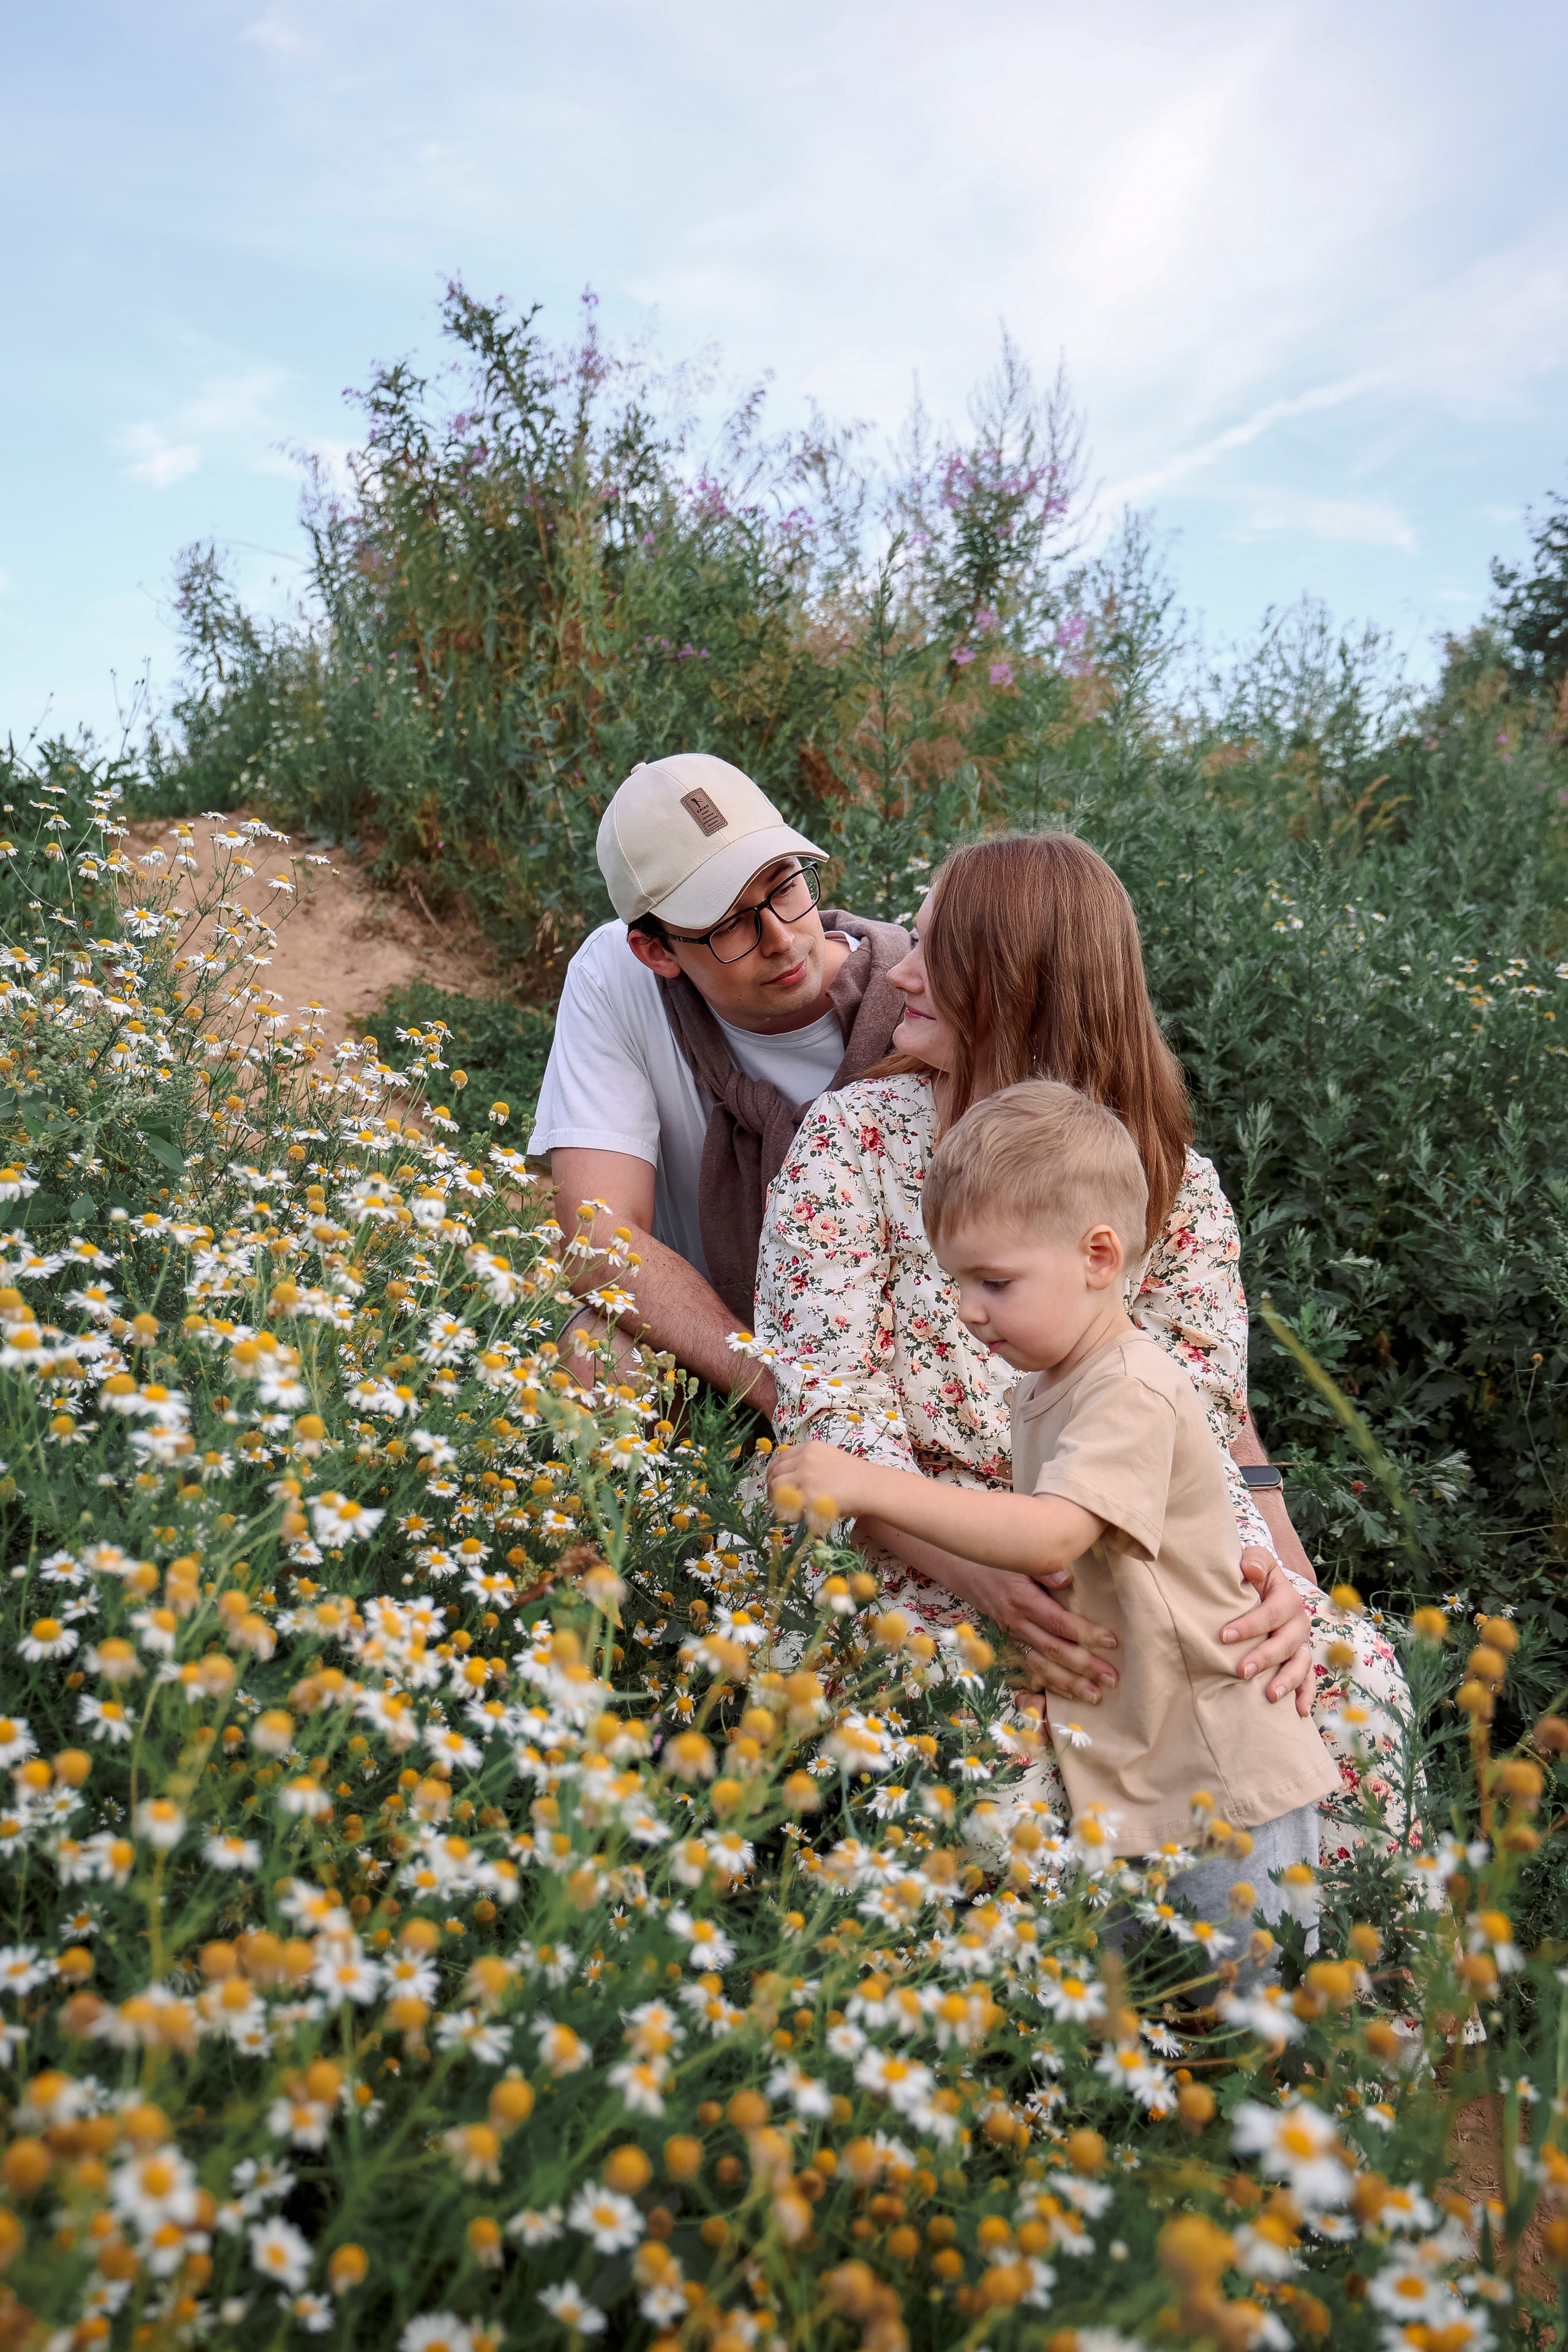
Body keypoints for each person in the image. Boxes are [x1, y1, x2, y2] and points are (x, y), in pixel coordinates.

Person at [752, 831, 1414, 1853]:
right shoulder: (851, 1144)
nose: (903, 975)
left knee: (1342, 1678)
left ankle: (1329, 1998)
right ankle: (1075, 2001)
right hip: (913, 1554)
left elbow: (1200, 1412)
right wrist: (984, 1576)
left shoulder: (1165, 1179)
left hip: (1134, 1554)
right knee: (1004, 1739)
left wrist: (1270, 1580)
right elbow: (831, 1409)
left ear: (1023, 987)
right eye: (913, 943)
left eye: (940, 956)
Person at [768, 1079, 1340, 1919]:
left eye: (994, 1282)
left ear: (1098, 1257)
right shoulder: (1054, 1382)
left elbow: (1052, 1538)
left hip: (1217, 1761)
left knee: (1247, 1997)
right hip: (1142, 1744)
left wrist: (868, 1484)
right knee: (1136, 1996)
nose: (967, 1311)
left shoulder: (1131, 1388)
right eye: (957, 1282)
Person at [527, 753, 910, 1416]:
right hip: (720, 1354)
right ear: (655, 952)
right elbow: (596, 1236)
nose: (783, 939)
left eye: (783, 884)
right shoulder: (617, 980)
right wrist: (784, 1396)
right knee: (597, 1356)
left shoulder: (917, 995)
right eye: (727, 922)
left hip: (902, 1360)